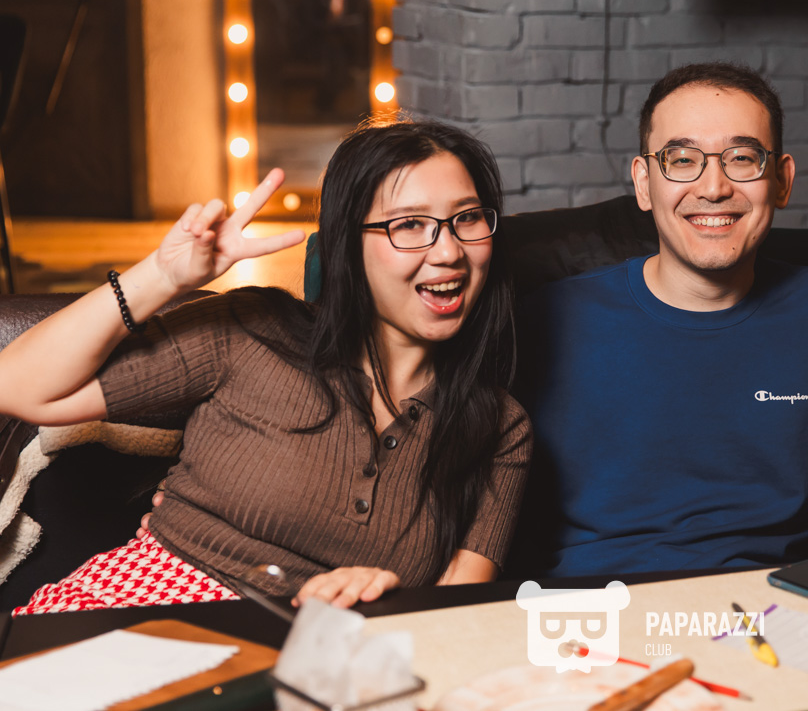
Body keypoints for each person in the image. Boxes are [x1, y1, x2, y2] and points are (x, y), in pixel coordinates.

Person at [0, 121, 530, 612]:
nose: (448, 251)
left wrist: (384, 602)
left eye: (467, 218)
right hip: (134, 610)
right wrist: (162, 276)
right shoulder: (252, 331)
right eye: (409, 224)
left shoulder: (500, 429)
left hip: (312, 652)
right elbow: (16, 386)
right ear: (348, 245)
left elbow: (453, 617)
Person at [509, 62, 808, 577]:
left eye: (742, 158)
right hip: (592, 610)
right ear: (644, 183)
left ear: (782, 181)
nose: (713, 187)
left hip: (766, 609)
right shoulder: (545, 322)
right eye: (682, 160)